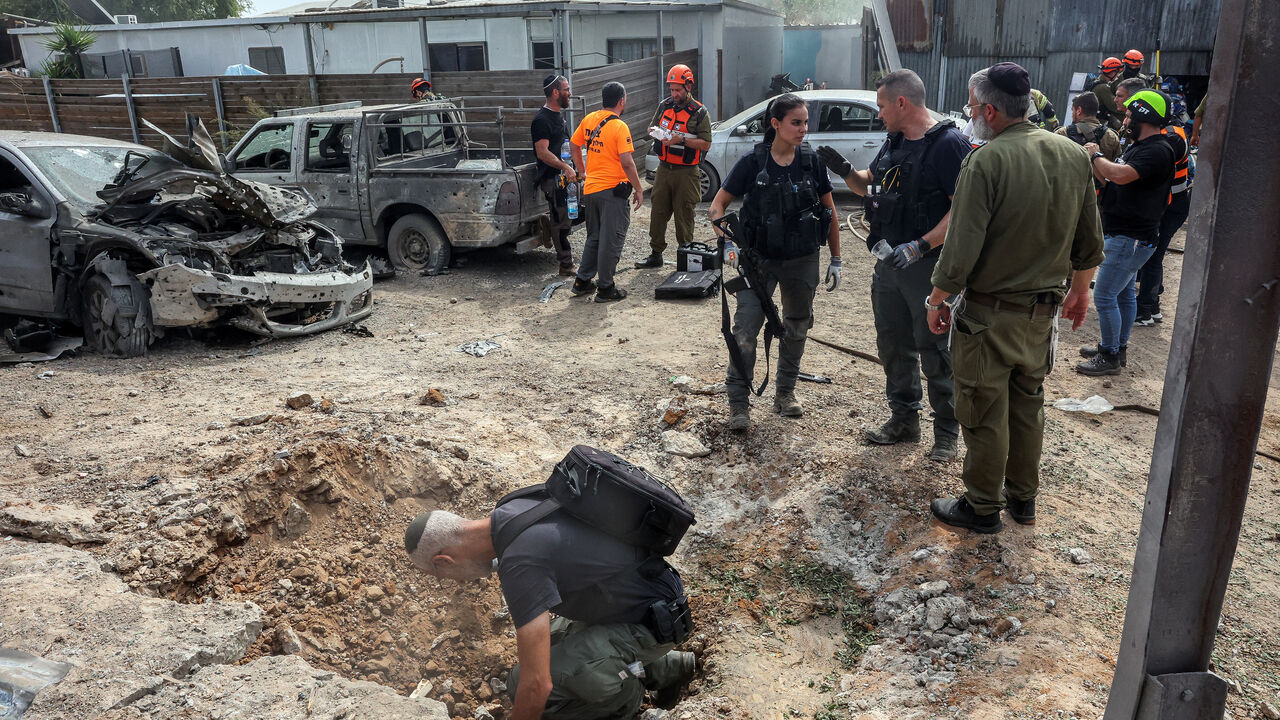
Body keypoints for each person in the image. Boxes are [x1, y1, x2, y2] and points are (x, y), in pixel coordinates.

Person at [925, 62, 1104, 533]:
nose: (969, 114)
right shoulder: (1071, 154)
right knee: (1027, 406)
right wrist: (1081, 292)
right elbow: (1090, 243)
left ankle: (983, 506)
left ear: (989, 110)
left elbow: (960, 249)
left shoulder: (985, 160)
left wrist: (937, 299)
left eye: (970, 106)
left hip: (988, 316)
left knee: (982, 409)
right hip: (1040, 317)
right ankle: (1022, 499)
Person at [403, 497, 696, 719]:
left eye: (439, 575)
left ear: (444, 561)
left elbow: (538, 686)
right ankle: (668, 666)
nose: (450, 580)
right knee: (535, 659)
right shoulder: (512, 509)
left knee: (536, 685)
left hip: (653, 621)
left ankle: (626, 697)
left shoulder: (519, 562)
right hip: (642, 597)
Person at [815, 69, 971, 462]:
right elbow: (871, 183)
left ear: (902, 103)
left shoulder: (948, 144)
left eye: (883, 106)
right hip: (888, 265)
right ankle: (904, 420)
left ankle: (947, 433)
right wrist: (847, 171)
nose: (879, 114)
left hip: (928, 270)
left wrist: (921, 246)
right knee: (893, 345)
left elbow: (964, 209)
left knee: (936, 349)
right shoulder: (894, 140)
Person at [709, 94, 841, 431]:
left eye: (805, 122)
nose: (803, 129)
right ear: (776, 124)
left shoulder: (812, 163)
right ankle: (739, 404)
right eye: (796, 122)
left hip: (802, 260)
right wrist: (727, 243)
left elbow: (830, 212)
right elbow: (717, 206)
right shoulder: (752, 163)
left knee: (796, 327)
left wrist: (836, 258)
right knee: (745, 333)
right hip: (759, 262)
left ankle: (785, 394)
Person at [1076, 90, 1176, 375]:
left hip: (1130, 237)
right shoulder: (1139, 146)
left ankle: (1109, 356)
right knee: (1123, 296)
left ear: (1144, 116)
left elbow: (1120, 175)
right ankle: (1116, 348)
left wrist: (1095, 155)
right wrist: (1094, 162)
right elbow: (1110, 179)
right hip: (1126, 234)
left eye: (1131, 115)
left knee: (1105, 295)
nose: (1126, 118)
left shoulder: (1157, 150)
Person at [568, 81, 644, 302]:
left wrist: (583, 173)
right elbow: (627, 162)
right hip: (612, 192)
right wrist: (638, 189)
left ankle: (582, 282)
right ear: (622, 100)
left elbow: (574, 146)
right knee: (610, 240)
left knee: (594, 237)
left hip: (591, 190)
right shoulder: (620, 126)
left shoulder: (590, 119)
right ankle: (605, 288)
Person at [637, 64, 713, 269]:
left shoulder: (700, 112)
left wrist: (681, 140)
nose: (674, 94)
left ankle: (686, 256)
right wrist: (657, 133)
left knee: (684, 213)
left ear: (689, 86)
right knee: (658, 211)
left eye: (678, 89)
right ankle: (655, 254)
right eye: (672, 89)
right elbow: (650, 128)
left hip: (687, 172)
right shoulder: (664, 106)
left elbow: (706, 143)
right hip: (664, 169)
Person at [1135, 110, 1192, 326]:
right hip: (1168, 204)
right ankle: (1153, 306)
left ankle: (1145, 311)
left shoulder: (1172, 137)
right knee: (1152, 254)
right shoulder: (1170, 132)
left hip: (1171, 206)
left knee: (1152, 256)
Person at [531, 74, 578, 276]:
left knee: (572, 215)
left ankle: (548, 225)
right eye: (566, 89)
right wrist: (564, 167)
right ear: (556, 92)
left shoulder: (559, 115)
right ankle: (565, 265)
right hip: (553, 179)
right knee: (562, 222)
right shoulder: (541, 120)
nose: (570, 93)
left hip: (566, 177)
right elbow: (542, 152)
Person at [1056, 91, 1122, 162]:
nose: (1072, 114)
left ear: (1079, 111)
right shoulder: (1112, 137)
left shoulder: (1062, 133)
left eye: (1073, 111)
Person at [1088, 57, 1124, 130]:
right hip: (1098, 125)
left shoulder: (1098, 82)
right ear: (1112, 72)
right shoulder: (1103, 88)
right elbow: (1116, 106)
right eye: (1117, 72)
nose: (1118, 75)